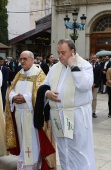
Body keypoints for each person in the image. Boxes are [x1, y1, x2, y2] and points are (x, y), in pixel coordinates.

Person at [38, 39, 95, 170]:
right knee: (63, 149)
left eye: (63, 52)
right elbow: (44, 85)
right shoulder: (55, 67)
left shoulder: (84, 65)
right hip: (58, 116)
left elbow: (85, 86)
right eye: (58, 52)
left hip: (76, 115)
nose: (60, 56)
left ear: (72, 52)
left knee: (79, 150)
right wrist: (47, 93)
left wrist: (74, 66)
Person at [5, 50, 47, 169]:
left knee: (32, 139)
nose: (22, 61)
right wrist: (13, 97)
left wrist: (25, 98)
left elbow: (41, 93)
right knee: (22, 138)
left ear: (32, 60)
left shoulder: (39, 74)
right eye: (21, 59)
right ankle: (23, 161)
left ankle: (33, 163)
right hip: (19, 112)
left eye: (25, 59)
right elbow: (10, 89)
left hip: (31, 113)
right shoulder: (19, 73)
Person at [90, 54, 102, 118]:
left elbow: (99, 76)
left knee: (94, 99)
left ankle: (93, 112)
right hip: (88, 86)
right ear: (90, 58)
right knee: (88, 99)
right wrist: (89, 84)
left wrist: (94, 84)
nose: (93, 59)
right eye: (92, 58)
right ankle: (88, 111)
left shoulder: (99, 66)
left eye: (94, 58)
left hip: (95, 85)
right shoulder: (87, 66)